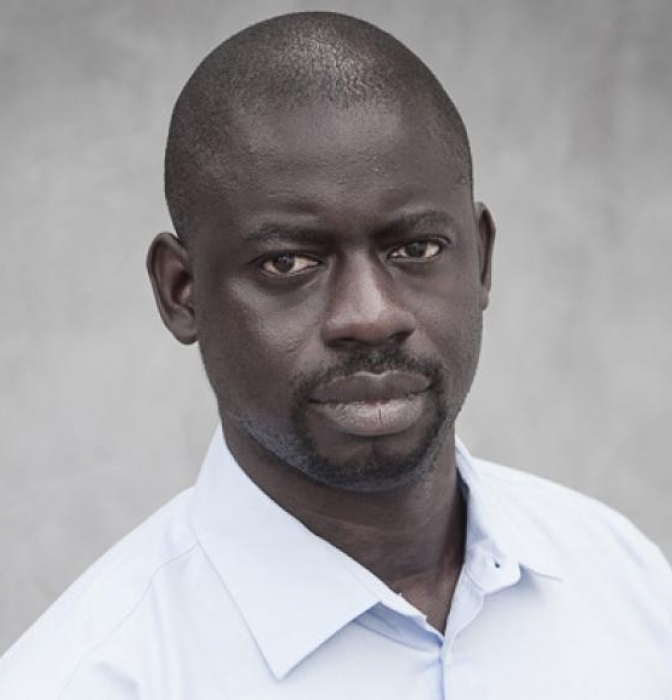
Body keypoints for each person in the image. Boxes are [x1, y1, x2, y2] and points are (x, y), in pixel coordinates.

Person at [1, 11, 670, 699]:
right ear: (181, 292)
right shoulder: (91, 680)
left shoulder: (623, 581)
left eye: (416, 248)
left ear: (480, 260)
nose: (371, 316)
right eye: (287, 262)